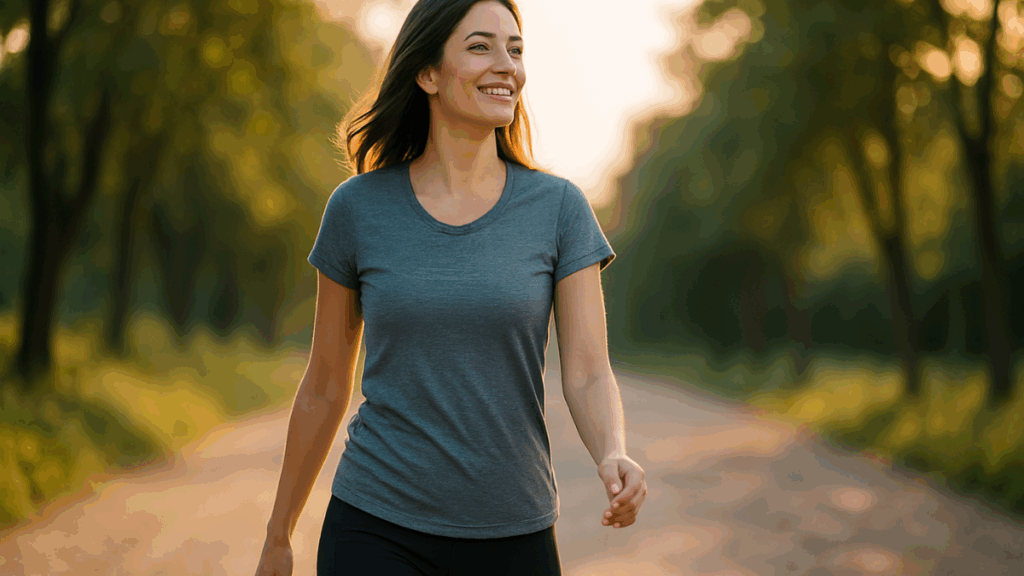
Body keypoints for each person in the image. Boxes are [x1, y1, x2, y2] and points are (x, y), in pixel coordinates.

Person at [254, 0, 646, 574]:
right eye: (480, 46)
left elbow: (587, 370)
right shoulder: (358, 210)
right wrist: (278, 534)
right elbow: (324, 384)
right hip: (375, 524)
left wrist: (613, 450)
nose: (506, 65)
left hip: (515, 528)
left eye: (515, 49)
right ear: (428, 73)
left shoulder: (559, 209)